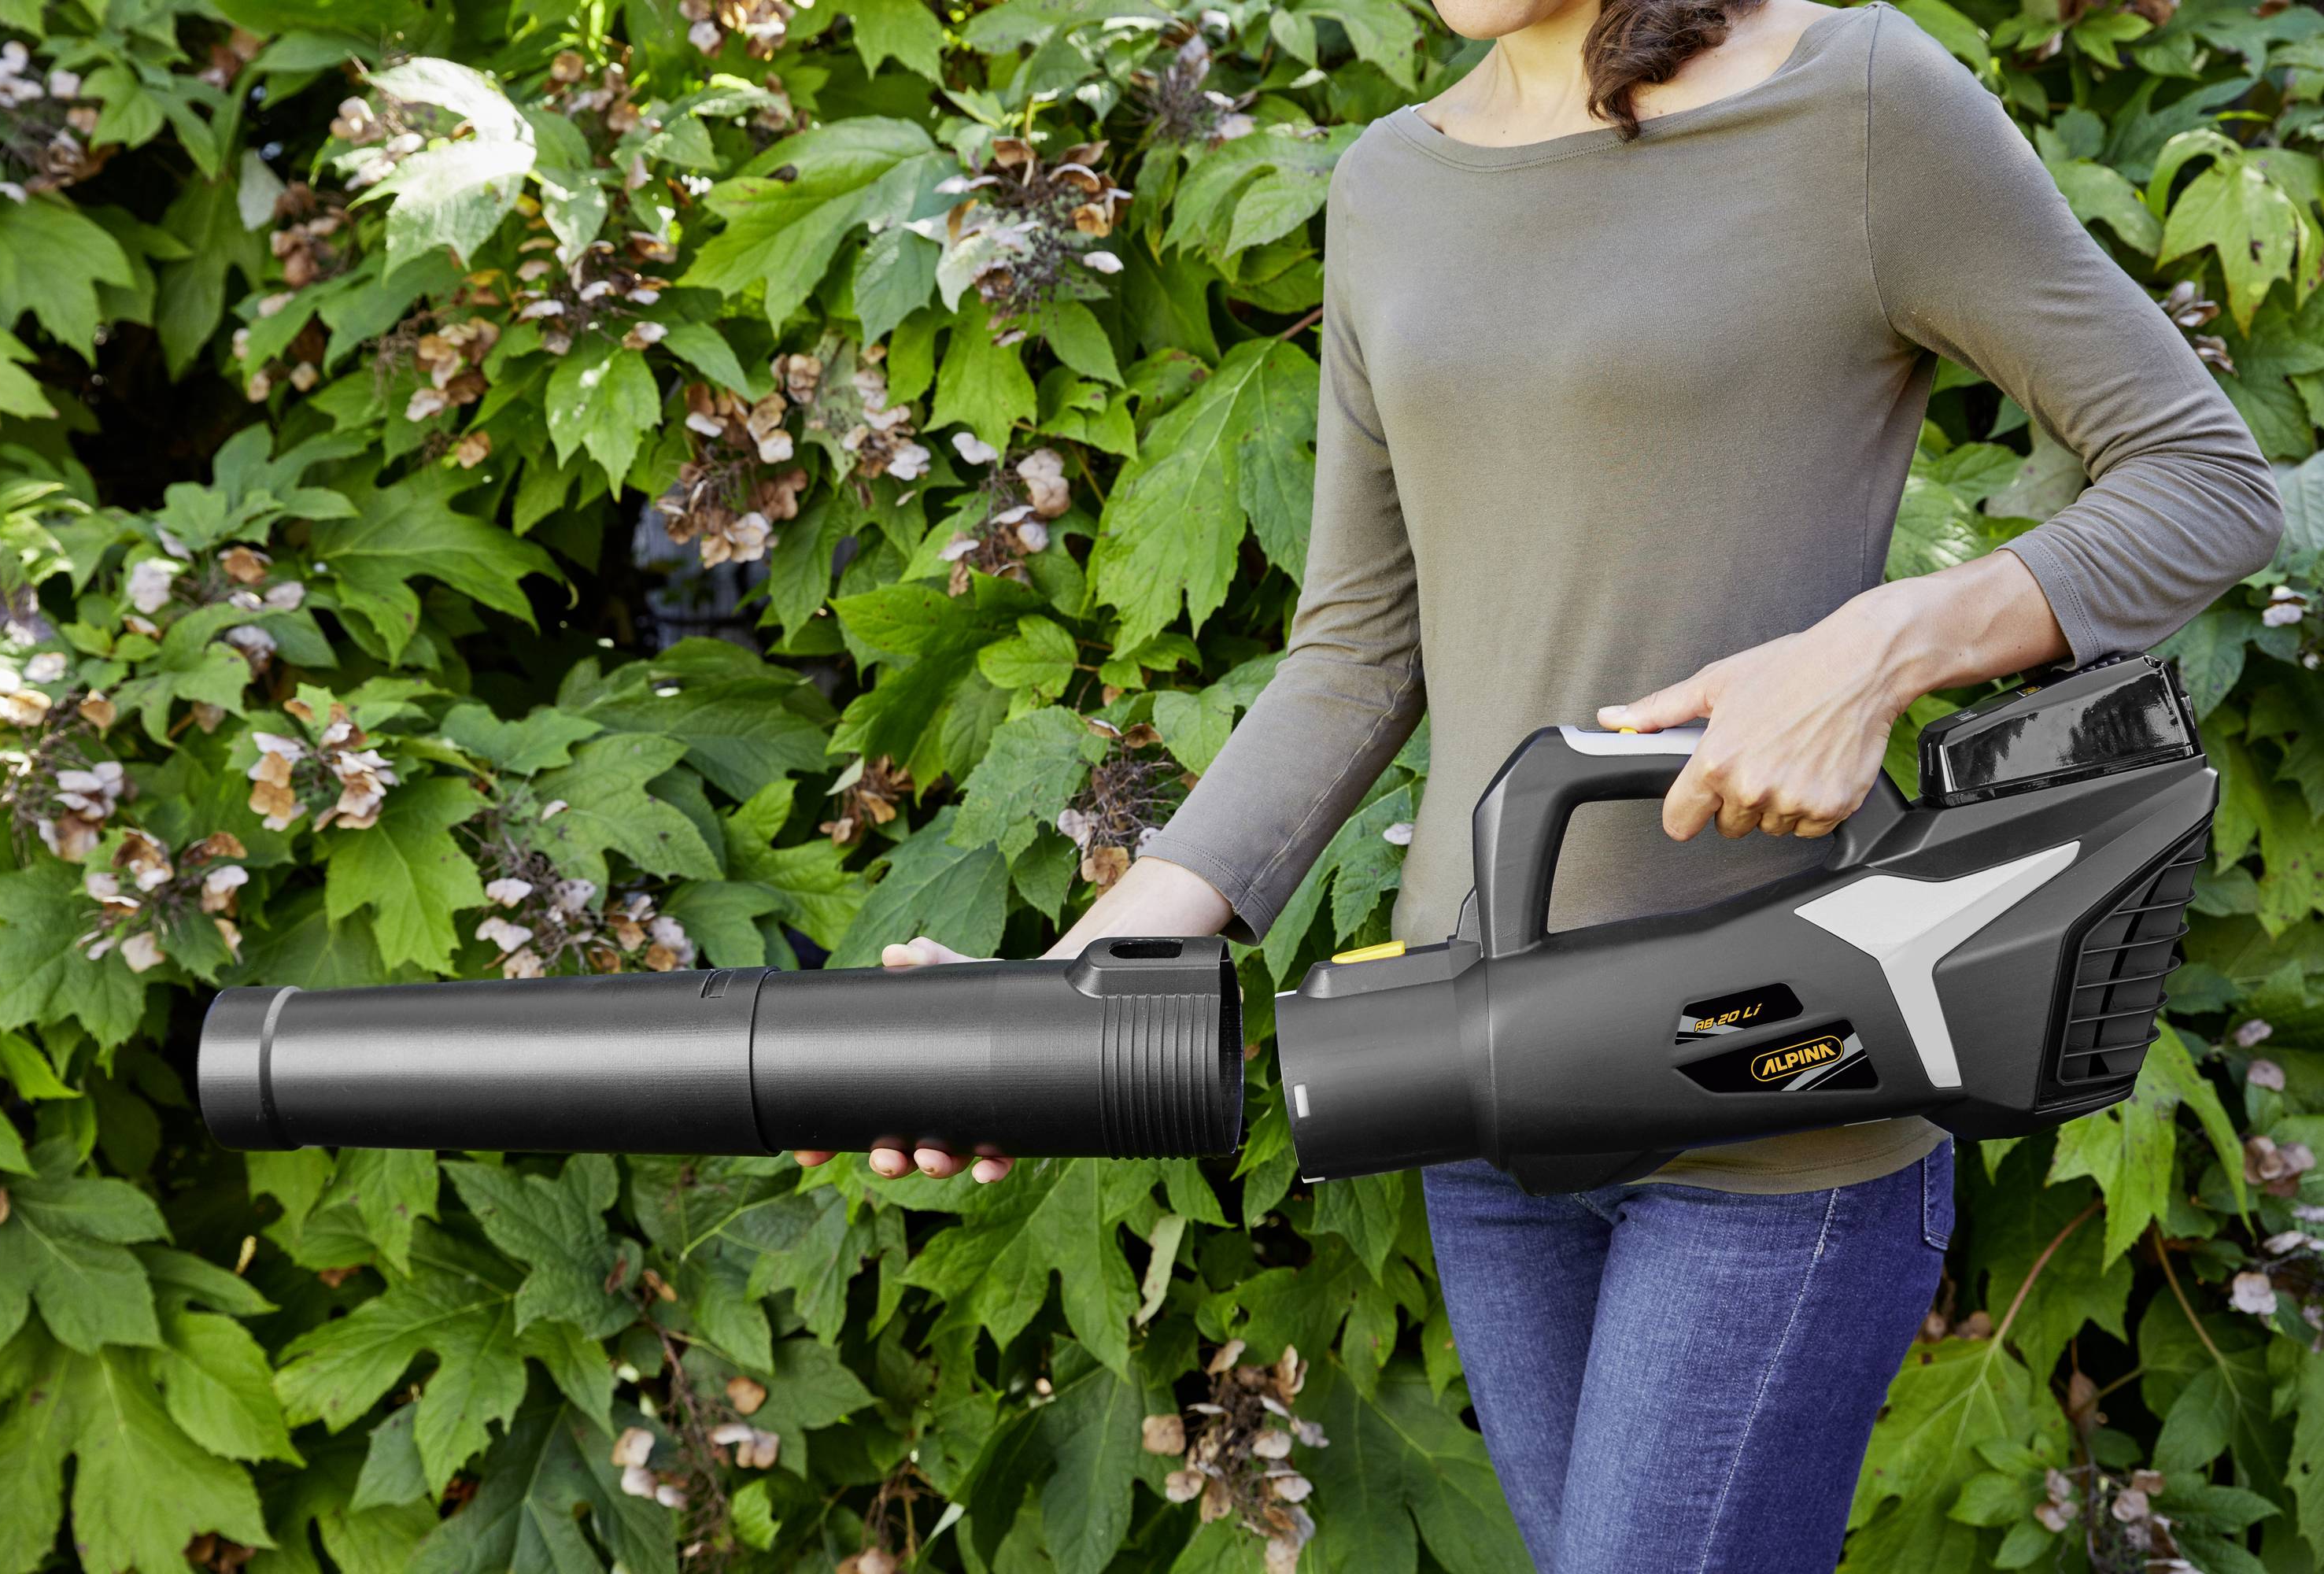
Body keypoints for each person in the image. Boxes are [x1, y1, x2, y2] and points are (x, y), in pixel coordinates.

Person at [800, 0, 2285, 1567]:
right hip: (1481, 1080)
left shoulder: (1854, 101)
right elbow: (1357, 650)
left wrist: (1880, 647)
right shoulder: (1393, 181)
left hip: (1780, 1078)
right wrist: (1091, 970)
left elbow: (2203, 478)